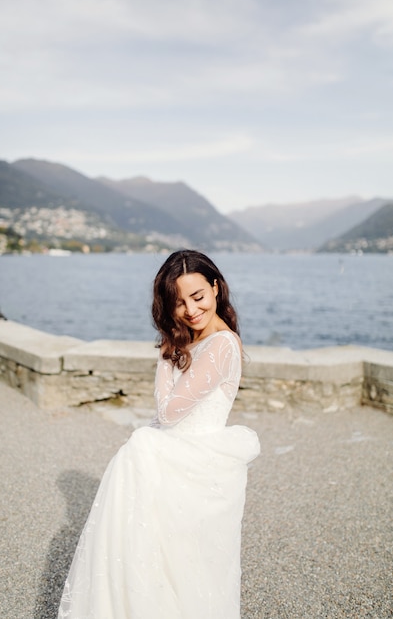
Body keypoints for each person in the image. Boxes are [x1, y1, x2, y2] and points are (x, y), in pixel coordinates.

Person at [57, 249, 260, 619]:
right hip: (178, 456)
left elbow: (167, 411)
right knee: (162, 562)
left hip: (194, 463)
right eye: (178, 303)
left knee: (181, 566)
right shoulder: (198, 342)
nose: (190, 310)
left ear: (216, 288)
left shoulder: (221, 345)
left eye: (197, 297)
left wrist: (167, 352)